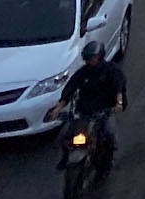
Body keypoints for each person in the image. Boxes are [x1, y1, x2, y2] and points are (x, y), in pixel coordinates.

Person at [51, 37, 126, 168]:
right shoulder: (82, 73)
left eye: (92, 58)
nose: (89, 61)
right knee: (64, 135)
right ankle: (65, 158)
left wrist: (118, 103)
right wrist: (59, 107)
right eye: (87, 59)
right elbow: (70, 88)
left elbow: (118, 86)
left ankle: (107, 160)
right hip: (84, 112)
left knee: (109, 133)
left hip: (103, 111)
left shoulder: (111, 70)